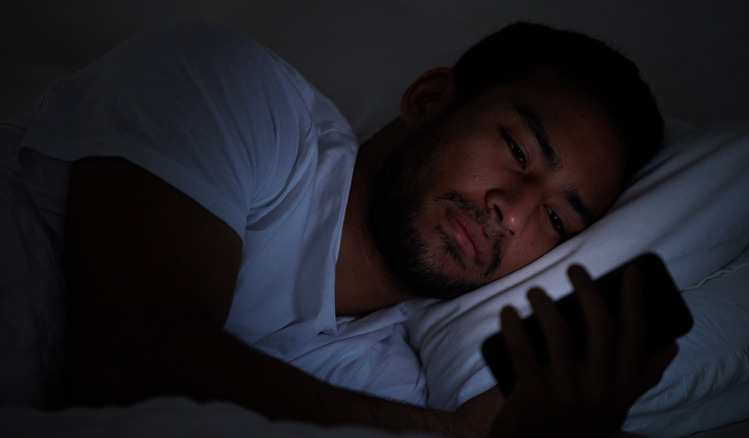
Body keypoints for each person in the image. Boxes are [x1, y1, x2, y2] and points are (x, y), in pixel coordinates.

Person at [3, 19, 675, 437]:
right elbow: (129, 365)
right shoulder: (234, 88)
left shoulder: (386, 385)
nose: (514, 211)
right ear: (428, 100)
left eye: (557, 219)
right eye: (518, 149)